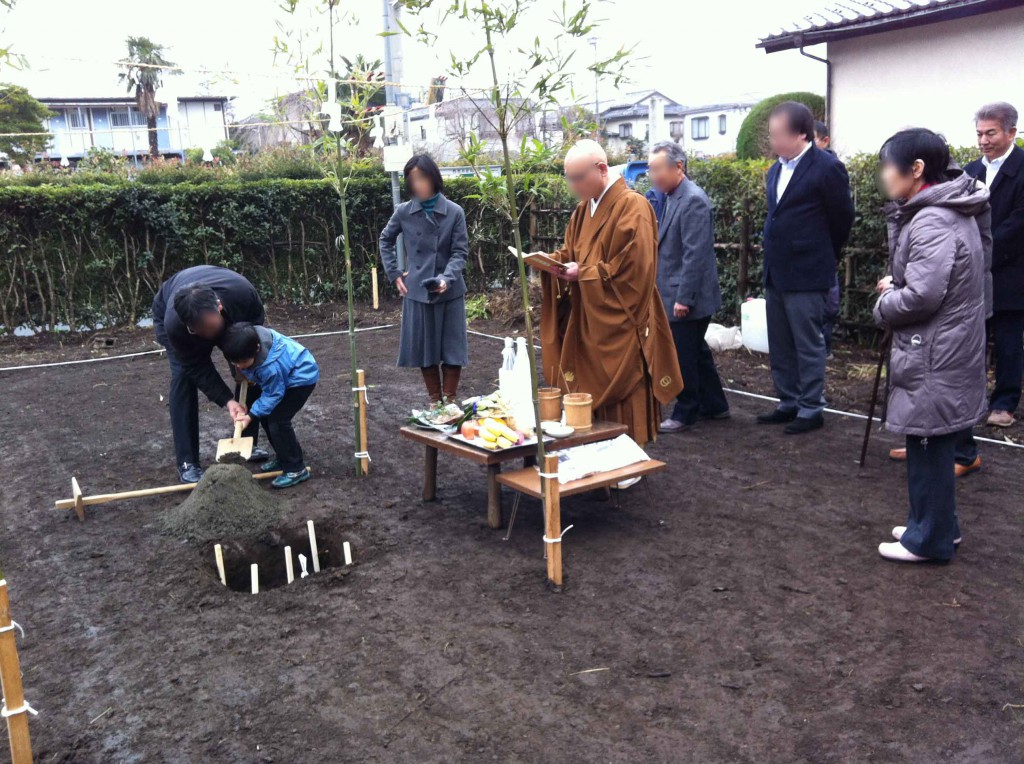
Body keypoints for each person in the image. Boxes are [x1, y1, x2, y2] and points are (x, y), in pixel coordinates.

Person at [873, 128, 989, 563]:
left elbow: (922, 296)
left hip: (935, 351)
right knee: (931, 443)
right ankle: (937, 526)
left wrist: (886, 300)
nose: (885, 175)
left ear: (916, 170)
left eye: (889, 166)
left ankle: (929, 540)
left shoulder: (932, 219)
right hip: (945, 346)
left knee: (927, 446)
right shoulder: (946, 211)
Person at [539, 139, 682, 455]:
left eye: (577, 178)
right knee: (585, 382)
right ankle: (596, 452)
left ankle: (629, 456)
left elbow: (633, 271)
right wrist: (552, 262)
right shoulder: (582, 210)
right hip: (589, 315)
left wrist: (584, 274)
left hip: (618, 318)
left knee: (625, 388)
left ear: (601, 169)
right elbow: (573, 251)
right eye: (569, 178)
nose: (573, 186)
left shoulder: (633, 206)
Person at [757, 102, 855, 434]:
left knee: (808, 342)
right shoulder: (775, 170)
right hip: (777, 270)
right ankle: (788, 401)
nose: (772, 141)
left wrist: (824, 255)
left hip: (809, 272)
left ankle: (811, 408)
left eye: (777, 134)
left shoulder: (827, 167)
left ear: (801, 134)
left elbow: (842, 219)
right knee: (780, 342)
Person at [152, 266, 268, 483]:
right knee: (183, 377)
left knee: (250, 370)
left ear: (219, 307)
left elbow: (253, 338)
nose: (208, 336)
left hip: (236, 312)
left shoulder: (243, 296)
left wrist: (241, 364)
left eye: (211, 327)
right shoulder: (175, 324)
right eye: (200, 331)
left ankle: (246, 441)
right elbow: (196, 366)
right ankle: (188, 462)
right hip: (168, 306)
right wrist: (227, 400)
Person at [646, 140, 729, 432]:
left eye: (657, 169)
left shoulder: (692, 199)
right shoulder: (672, 196)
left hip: (686, 295)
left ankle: (686, 410)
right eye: (650, 169)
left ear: (678, 167)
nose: (653, 175)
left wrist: (684, 298)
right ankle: (716, 405)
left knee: (683, 353)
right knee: (696, 350)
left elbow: (696, 254)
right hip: (675, 291)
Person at [379, 154, 470, 403]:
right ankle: (434, 400)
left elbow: (459, 252)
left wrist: (446, 279)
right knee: (425, 349)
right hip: (417, 292)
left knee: (452, 348)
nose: (417, 183)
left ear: (433, 177)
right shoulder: (404, 212)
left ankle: (449, 401)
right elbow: (385, 239)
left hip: (449, 291)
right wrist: (394, 273)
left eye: (421, 177)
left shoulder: (454, 212)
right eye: (412, 179)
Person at [965, 102, 1024, 429]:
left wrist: (979, 251)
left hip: (1011, 271)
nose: (984, 140)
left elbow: (1018, 224)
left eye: (991, 133)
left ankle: (1004, 403)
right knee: (971, 339)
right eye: (979, 134)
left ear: (1011, 132)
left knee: (1008, 341)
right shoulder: (970, 171)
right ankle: (972, 401)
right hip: (972, 273)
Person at [220, 322, 319, 489]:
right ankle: (283, 457)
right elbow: (247, 367)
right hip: (285, 376)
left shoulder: (268, 367)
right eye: (234, 362)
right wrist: (243, 372)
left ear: (257, 349)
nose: (239, 366)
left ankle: (296, 468)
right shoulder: (248, 341)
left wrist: (250, 416)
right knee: (267, 416)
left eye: (243, 362)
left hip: (301, 378)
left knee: (278, 421)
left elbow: (273, 394)